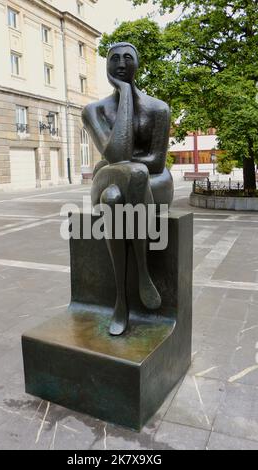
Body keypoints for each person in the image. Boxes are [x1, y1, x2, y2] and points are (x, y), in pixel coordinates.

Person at [82, 42, 174, 336]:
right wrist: (123, 94)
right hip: (111, 178)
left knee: (115, 196)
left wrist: (119, 162)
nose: (121, 63)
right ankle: (142, 272)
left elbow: (157, 162)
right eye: (114, 58)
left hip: (150, 182)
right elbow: (116, 150)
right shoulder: (92, 111)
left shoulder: (159, 109)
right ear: (107, 65)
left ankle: (121, 302)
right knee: (127, 176)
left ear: (138, 63)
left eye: (128, 57)